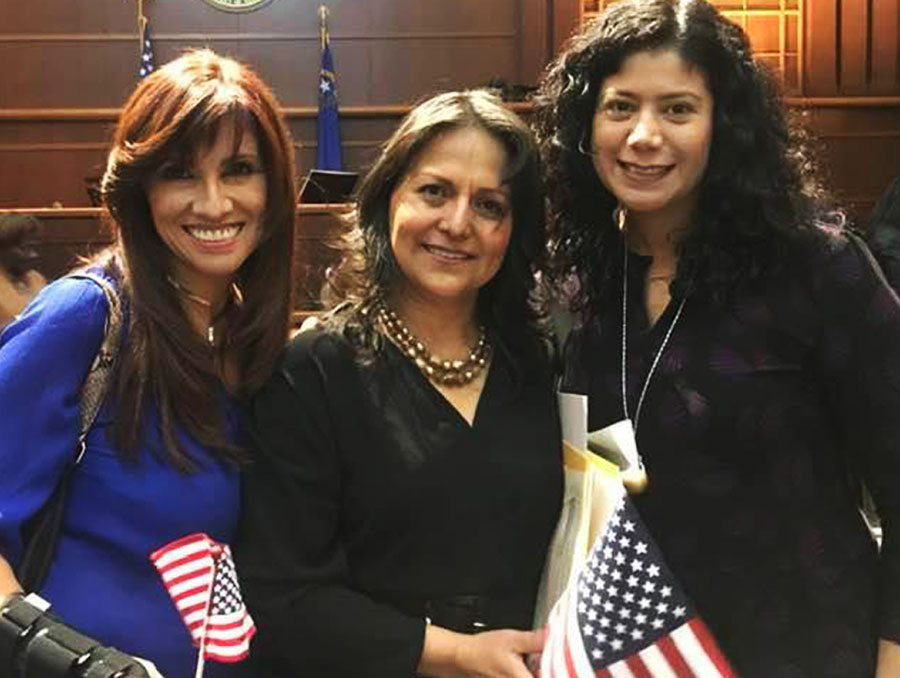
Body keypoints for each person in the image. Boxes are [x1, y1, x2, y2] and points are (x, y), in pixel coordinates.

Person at [534, 0, 900, 676]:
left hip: (803, 647)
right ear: (586, 126)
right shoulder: (576, 279)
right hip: (632, 653)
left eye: (677, 109)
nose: (644, 136)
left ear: (722, 127)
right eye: (620, 107)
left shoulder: (815, 267)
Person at [234, 90, 563, 678]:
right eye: (434, 191)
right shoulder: (311, 371)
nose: (458, 223)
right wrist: (457, 653)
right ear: (389, 200)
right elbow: (283, 594)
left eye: (490, 205)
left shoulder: (537, 367)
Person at [0, 49, 296, 677]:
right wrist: (75, 663)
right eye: (181, 173)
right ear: (142, 189)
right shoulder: (85, 316)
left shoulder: (251, 337)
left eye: (239, 169)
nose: (214, 203)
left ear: (272, 189)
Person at [0, 214, 46, 329]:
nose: (34, 255)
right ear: (3, 248)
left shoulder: (36, 278)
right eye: (25, 248)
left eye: (35, 248)